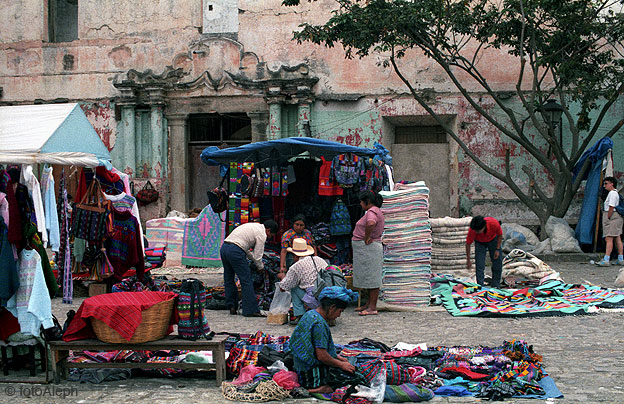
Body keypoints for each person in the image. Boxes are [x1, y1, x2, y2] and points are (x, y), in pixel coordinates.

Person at [289, 286, 363, 394]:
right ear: (332, 307)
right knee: (355, 379)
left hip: (300, 366)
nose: (338, 315)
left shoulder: (310, 314)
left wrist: (338, 358)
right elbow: (322, 356)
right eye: (340, 311)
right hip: (310, 374)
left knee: (345, 364)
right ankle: (318, 389)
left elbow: (315, 348)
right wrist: (341, 364)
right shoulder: (319, 324)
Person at [220, 220, 278, 317]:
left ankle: (232, 306)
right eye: (271, 235)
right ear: (268, 231)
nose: (269, 237)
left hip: (225, 248)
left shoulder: (253, 226)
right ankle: (250, 309)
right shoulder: (262, 234)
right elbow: (258, 255)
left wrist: (254, 260)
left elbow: (245, 249)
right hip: (235, 251)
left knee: (229, 278)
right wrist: (261, 267)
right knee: (246, 280)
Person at [277, 238, 328, 325]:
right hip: (326, 294)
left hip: (314, 298)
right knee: (299, 285)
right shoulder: (319, 260)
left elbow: (283, 287)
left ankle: (300, 316)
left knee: (294, 287)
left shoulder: (296, 266)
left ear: (295, 255)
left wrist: (282, 277)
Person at [352, 190, 385, 316]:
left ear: (367, 201)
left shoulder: (372, 212)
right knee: (368, 277)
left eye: (361, 202)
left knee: (372, 278)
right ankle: (369, 304)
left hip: (369, 249)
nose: (360, 204)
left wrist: (367, 237)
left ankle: (372, 307)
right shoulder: (375, 211)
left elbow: (371, 223)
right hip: (367, 249)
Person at [466, 215, 503, 287]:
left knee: (497, 262)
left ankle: (496, 285)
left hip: (493, 240)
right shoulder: (473, 230)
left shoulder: (494, 223)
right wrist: (468, 260)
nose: (476, 232)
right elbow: (468, 244)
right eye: (475, 231)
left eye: (478, 231)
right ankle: (480, 286)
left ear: (484, 226)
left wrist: (497, 249)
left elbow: (500, 235)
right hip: (480, 243)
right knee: (479, 264)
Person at [597, 177, 624, 266]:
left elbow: (611, 206)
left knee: (609, 238)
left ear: (611, 184)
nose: (604, 186)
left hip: (612, 216)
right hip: (616, 217)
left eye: (606, 183)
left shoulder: (612, 193)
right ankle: (620, 258)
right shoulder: (615, 193)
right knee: (617, 237)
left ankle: (606, 259)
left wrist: (608, 217)